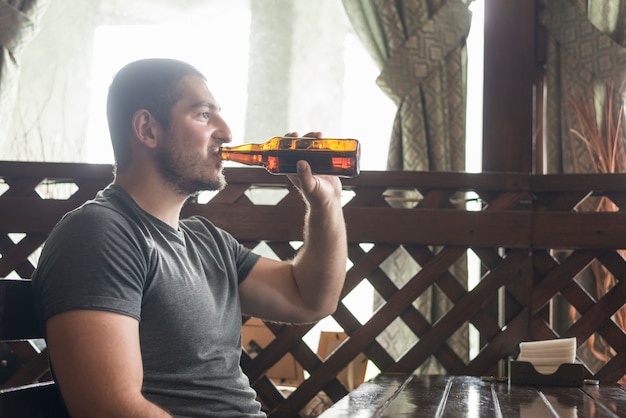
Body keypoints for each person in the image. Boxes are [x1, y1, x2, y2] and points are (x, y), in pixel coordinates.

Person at [31, 58, 348, 417]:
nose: (227, 132)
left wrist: (326, 203)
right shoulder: (99, 234)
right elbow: (110, 408)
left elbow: (310, 299)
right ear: (148, 129)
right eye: (202, 114)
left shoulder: (206, 241)